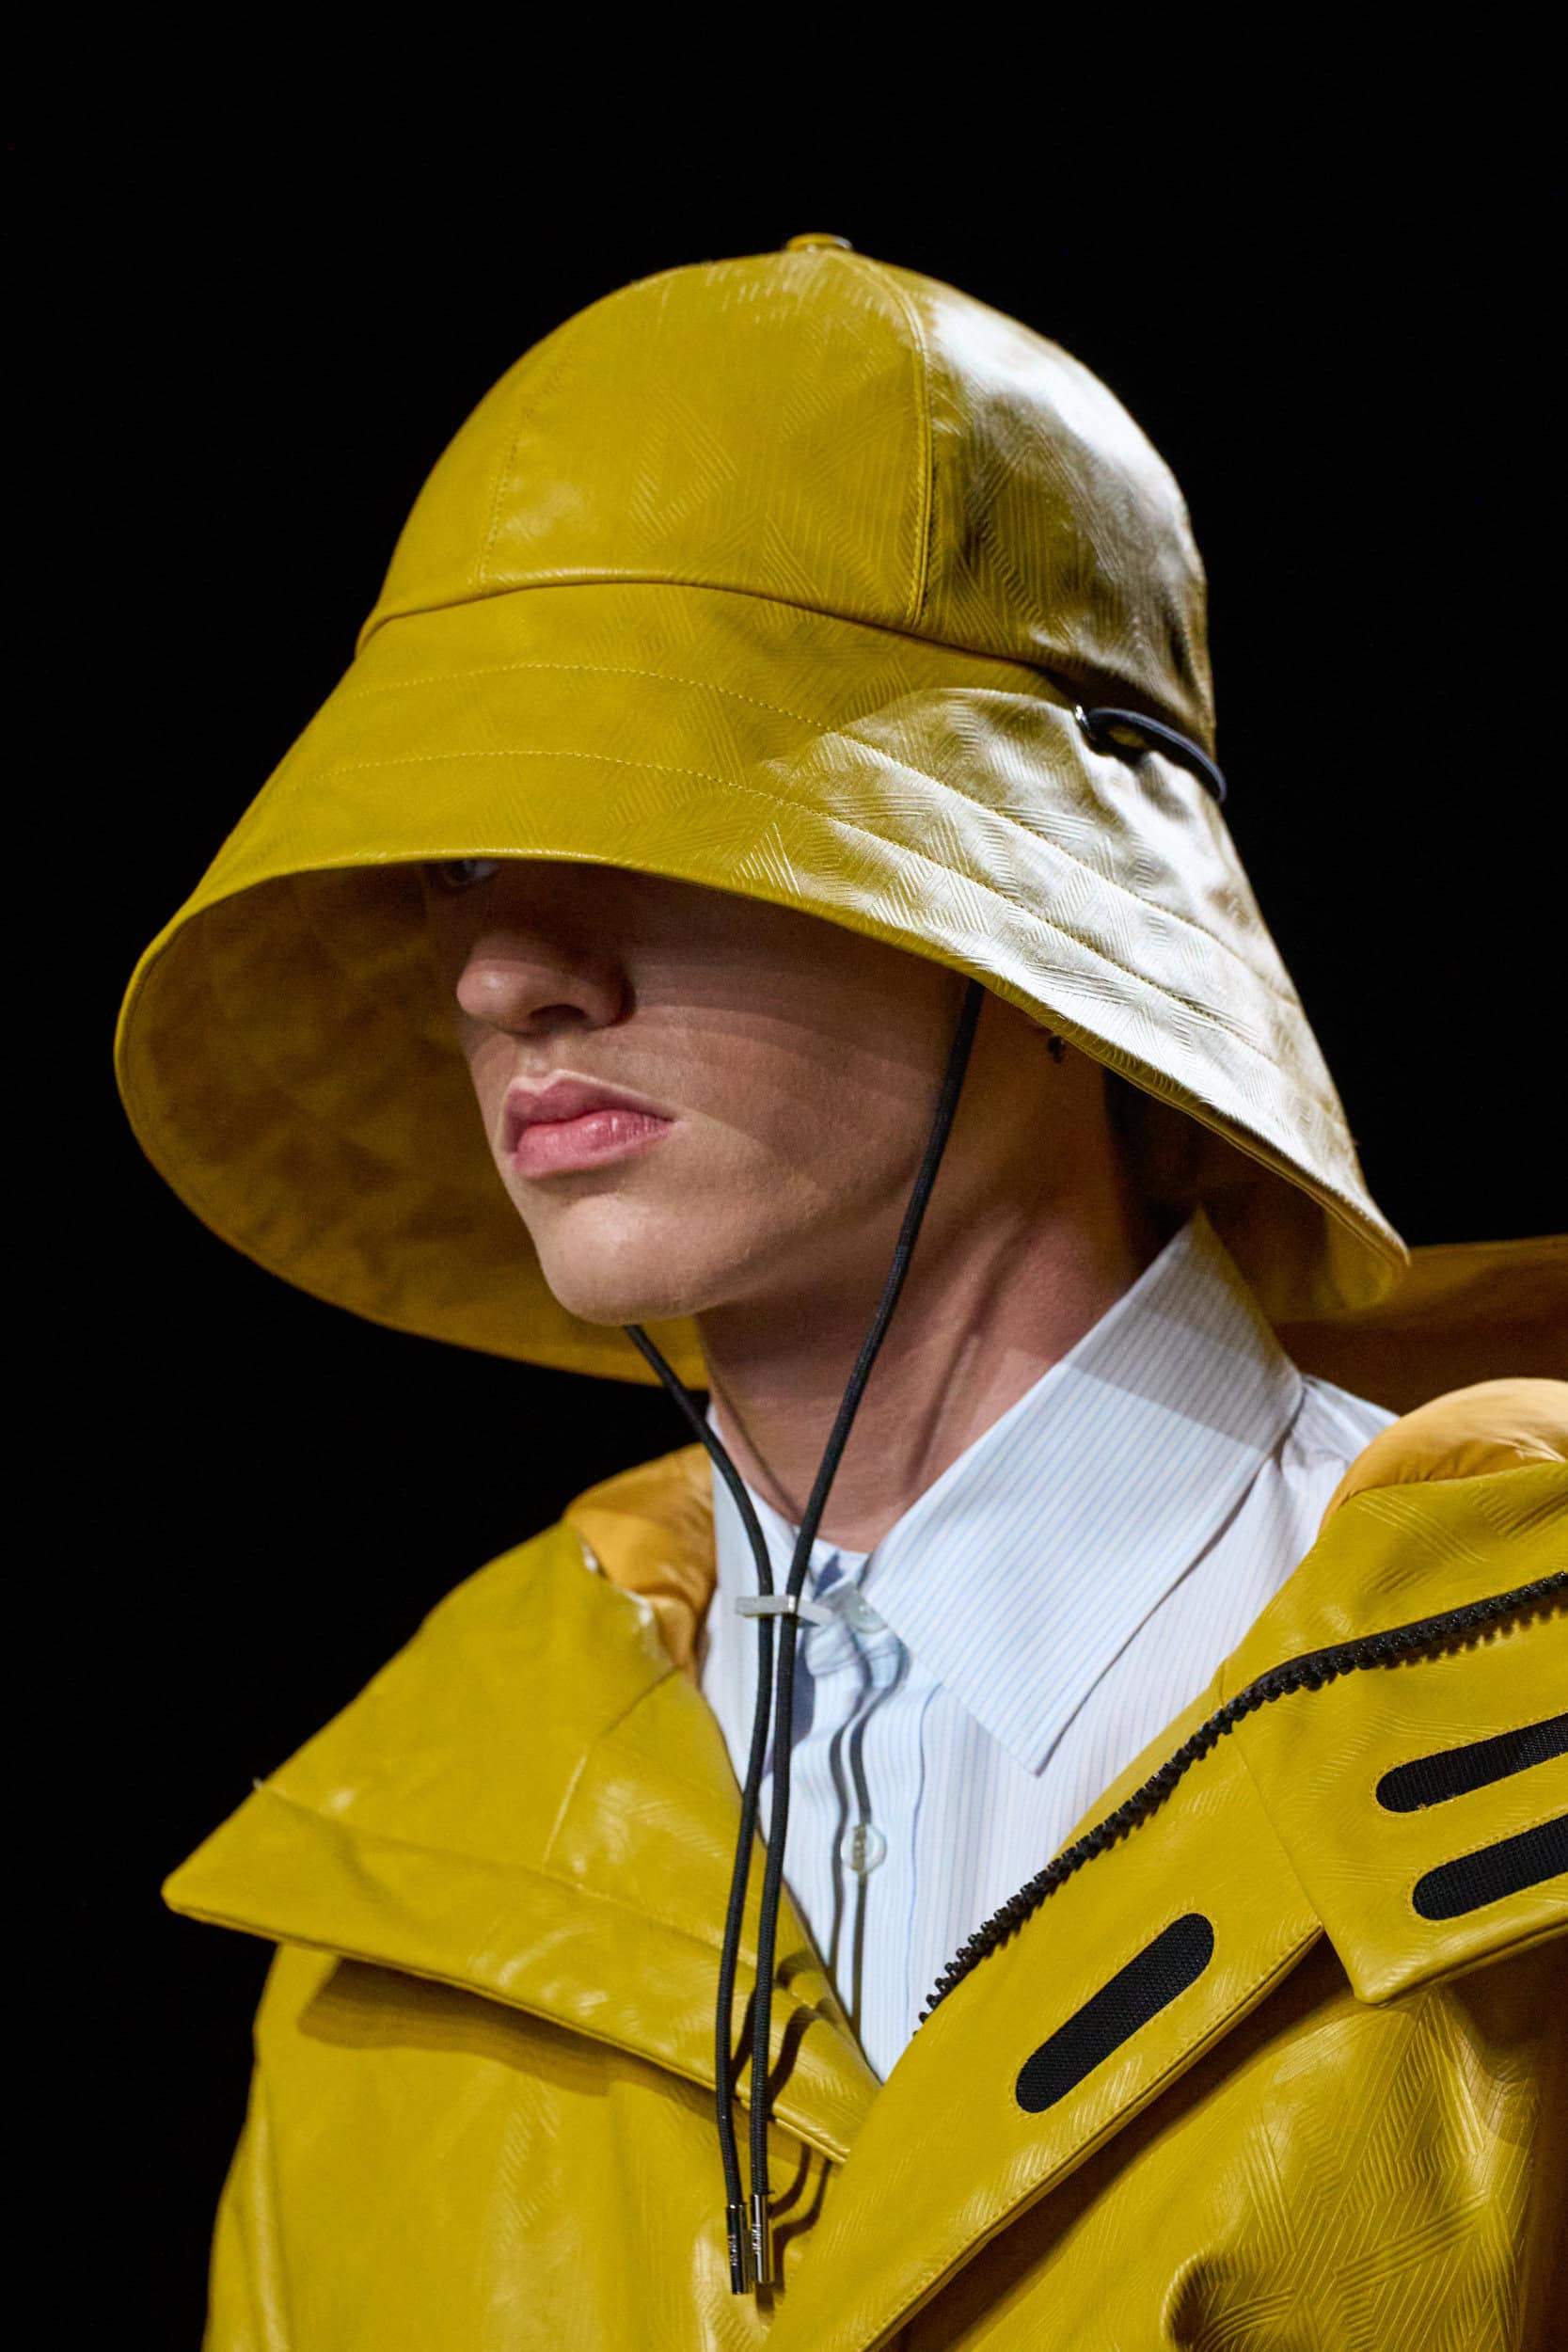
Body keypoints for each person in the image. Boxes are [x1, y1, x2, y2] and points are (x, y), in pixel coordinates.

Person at [114, 233, 1566, 2348]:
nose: (505, 971)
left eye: (650, 797)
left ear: (1060, 893)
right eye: (459, 859)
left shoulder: (1523, 1697)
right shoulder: (391, 1889)